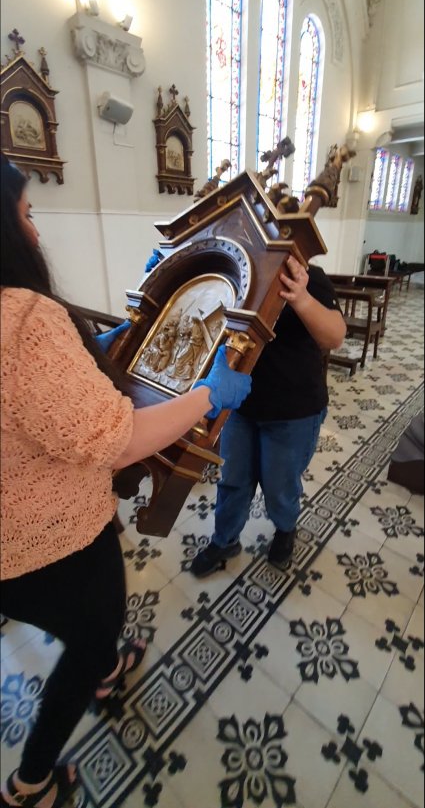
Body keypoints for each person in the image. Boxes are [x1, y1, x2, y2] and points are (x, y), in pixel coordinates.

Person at [0, 155, 251, 808]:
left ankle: (108, 667)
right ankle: (32, 783)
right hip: (46, 537)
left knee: (77, 623)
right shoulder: (22, 318)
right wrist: (206, 395)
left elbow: (29, 402)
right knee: (92, 625)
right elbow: (113, 436)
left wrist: (93, 355)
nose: (34, 229)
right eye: (25, 213)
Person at [190, 255, 347, 576]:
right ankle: (225, 539)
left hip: (293, 408)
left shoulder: (307, 276)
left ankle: (285, 529)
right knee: (233, 480)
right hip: (240, 405)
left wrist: (301, 297)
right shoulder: (234, 273)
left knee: (280, 485)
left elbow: (334, 337)